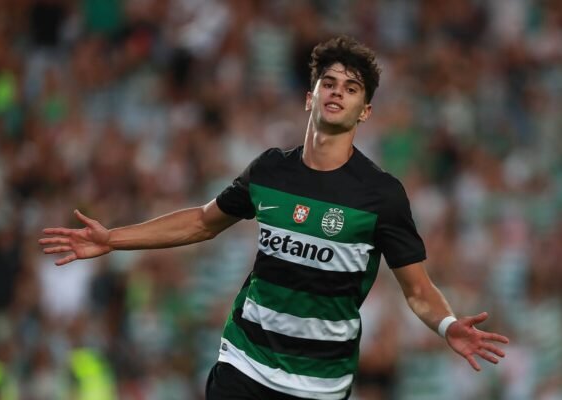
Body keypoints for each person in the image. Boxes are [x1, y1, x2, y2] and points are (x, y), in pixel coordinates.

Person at [39, 36, 509, 400]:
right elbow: (202, 221)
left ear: (365, 111)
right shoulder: (269, 171)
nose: (337, 93)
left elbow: (418, 290)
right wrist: (112, 239)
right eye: (329, 83)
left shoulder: (381, 195)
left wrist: (448, 325)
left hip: (320, 383)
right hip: (244, 362)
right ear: (309, 97)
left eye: (351, 88)